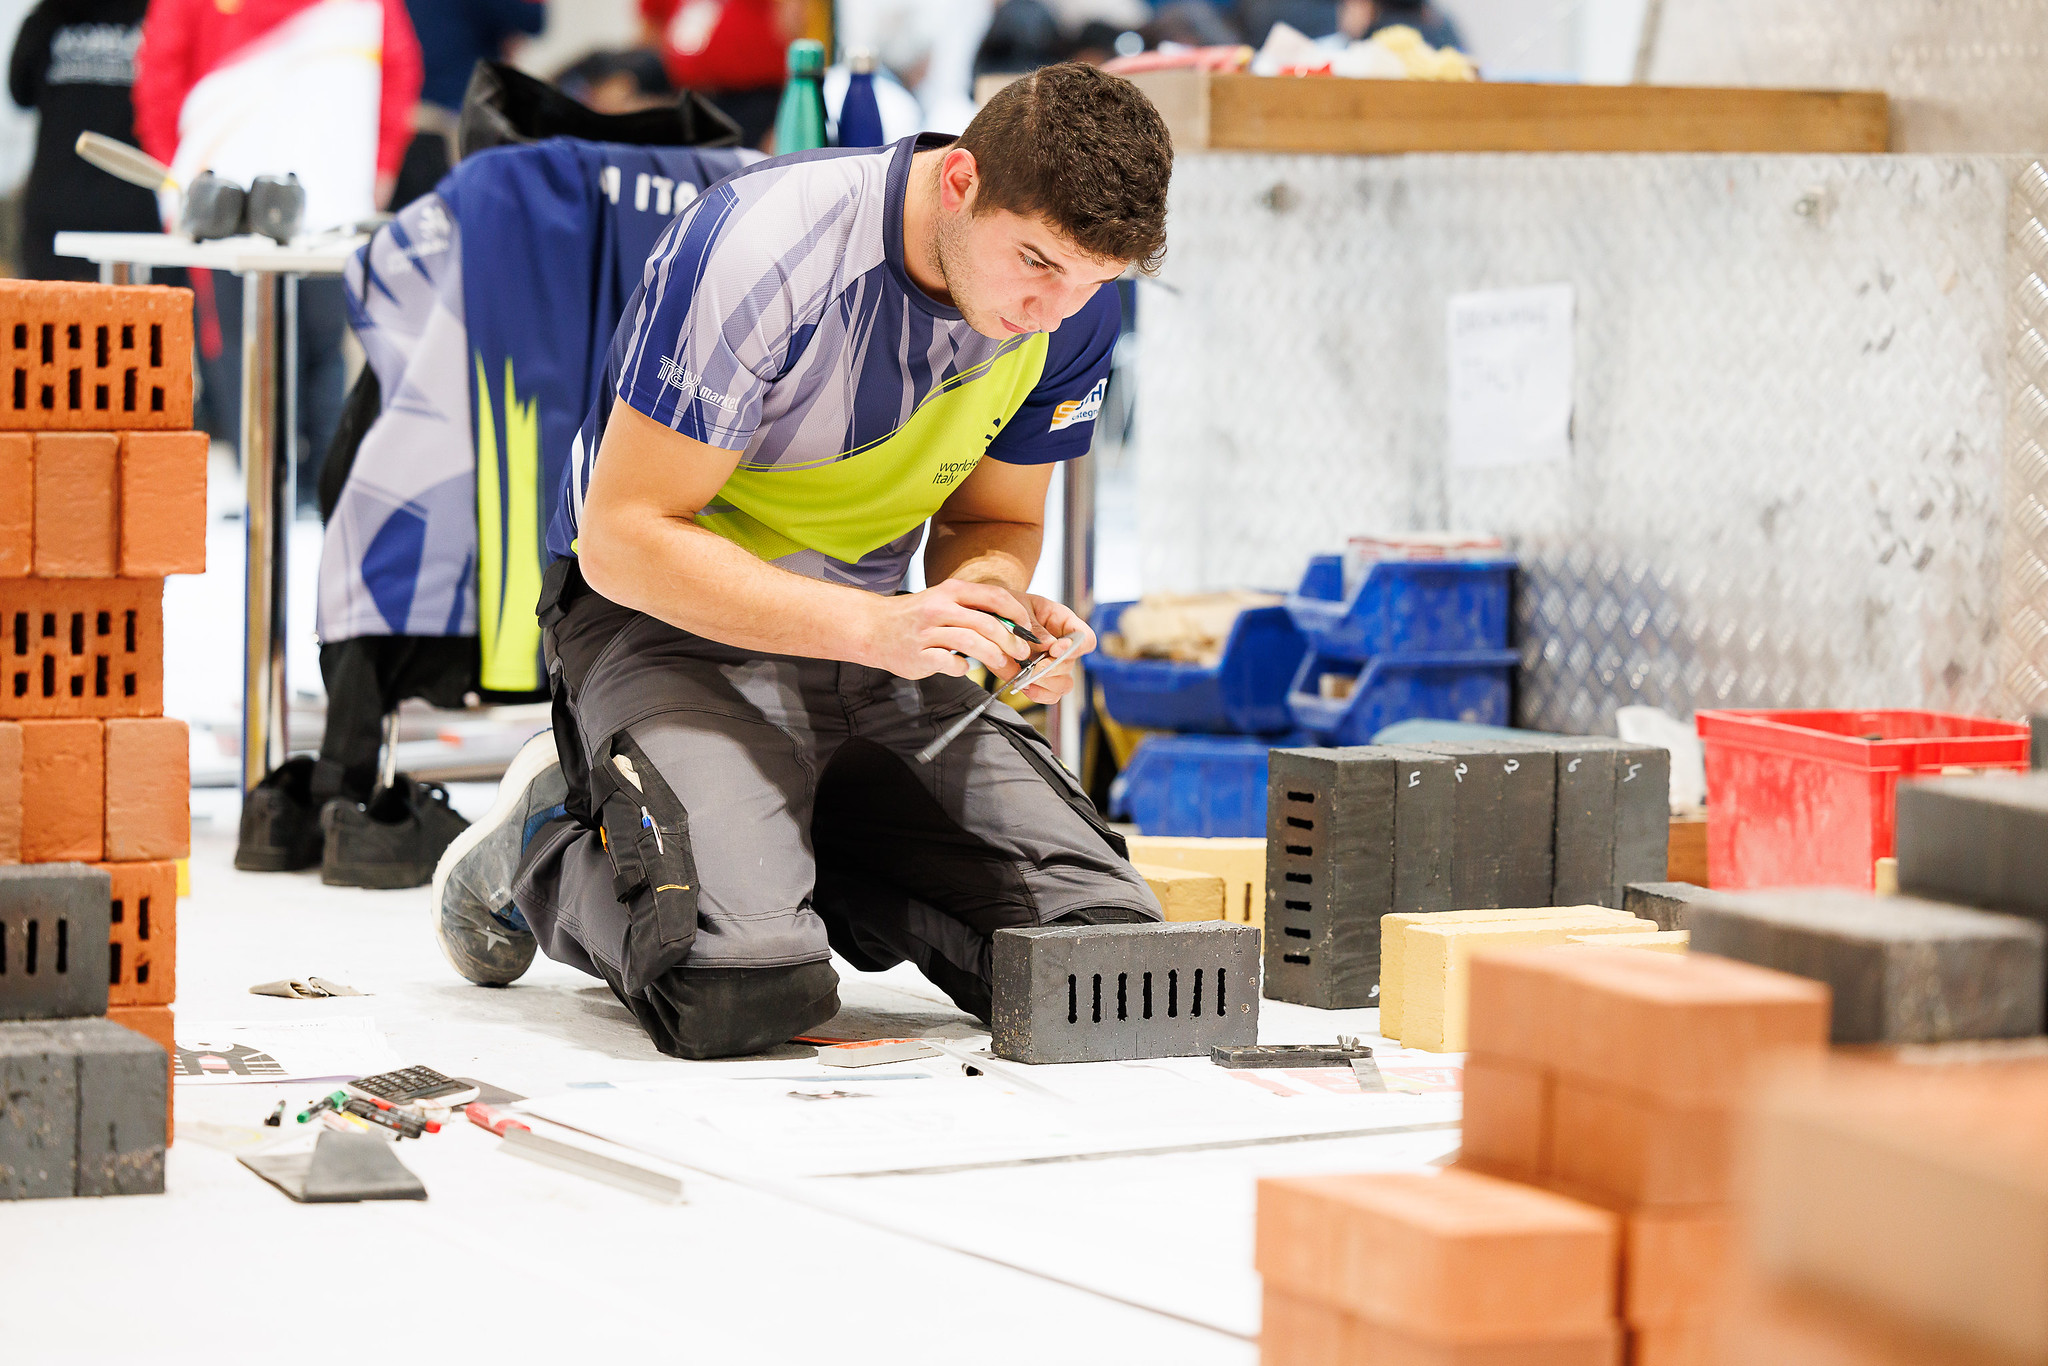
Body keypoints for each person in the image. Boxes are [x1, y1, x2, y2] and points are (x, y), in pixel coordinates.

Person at [432, 63, 1176, 1059]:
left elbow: (992, 522)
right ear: (958, 181)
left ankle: (763, 837)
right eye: (1036, 262)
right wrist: (879, 627)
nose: (1054, 310)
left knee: (1105, 954)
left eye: (1092, 284)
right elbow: (624, 537)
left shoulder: (1067, 303)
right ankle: (549, 839)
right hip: (663, 622)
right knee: (736, 986)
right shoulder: (765, 247)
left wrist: (987, 604)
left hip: (874, 637)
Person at [133, 0, 423, 511]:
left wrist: (381, 160)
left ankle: (298, 488)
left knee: (291, 345)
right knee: (275, 345)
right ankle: (288, 489)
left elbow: (398, 66)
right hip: (243, 196)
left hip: (308, 193)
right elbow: (160, 73)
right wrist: (176, 174)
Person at [8, 0, 160, 282]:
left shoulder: (159, 14)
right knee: (50, 320)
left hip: (133, 214)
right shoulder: (52, 15)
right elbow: (20, 89)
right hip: (57, 216)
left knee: (133, 321)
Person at [640, 0, 804, 150]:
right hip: (688, 100)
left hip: (753, 103)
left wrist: (783, 123)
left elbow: (793, 33)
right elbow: (651, 29)